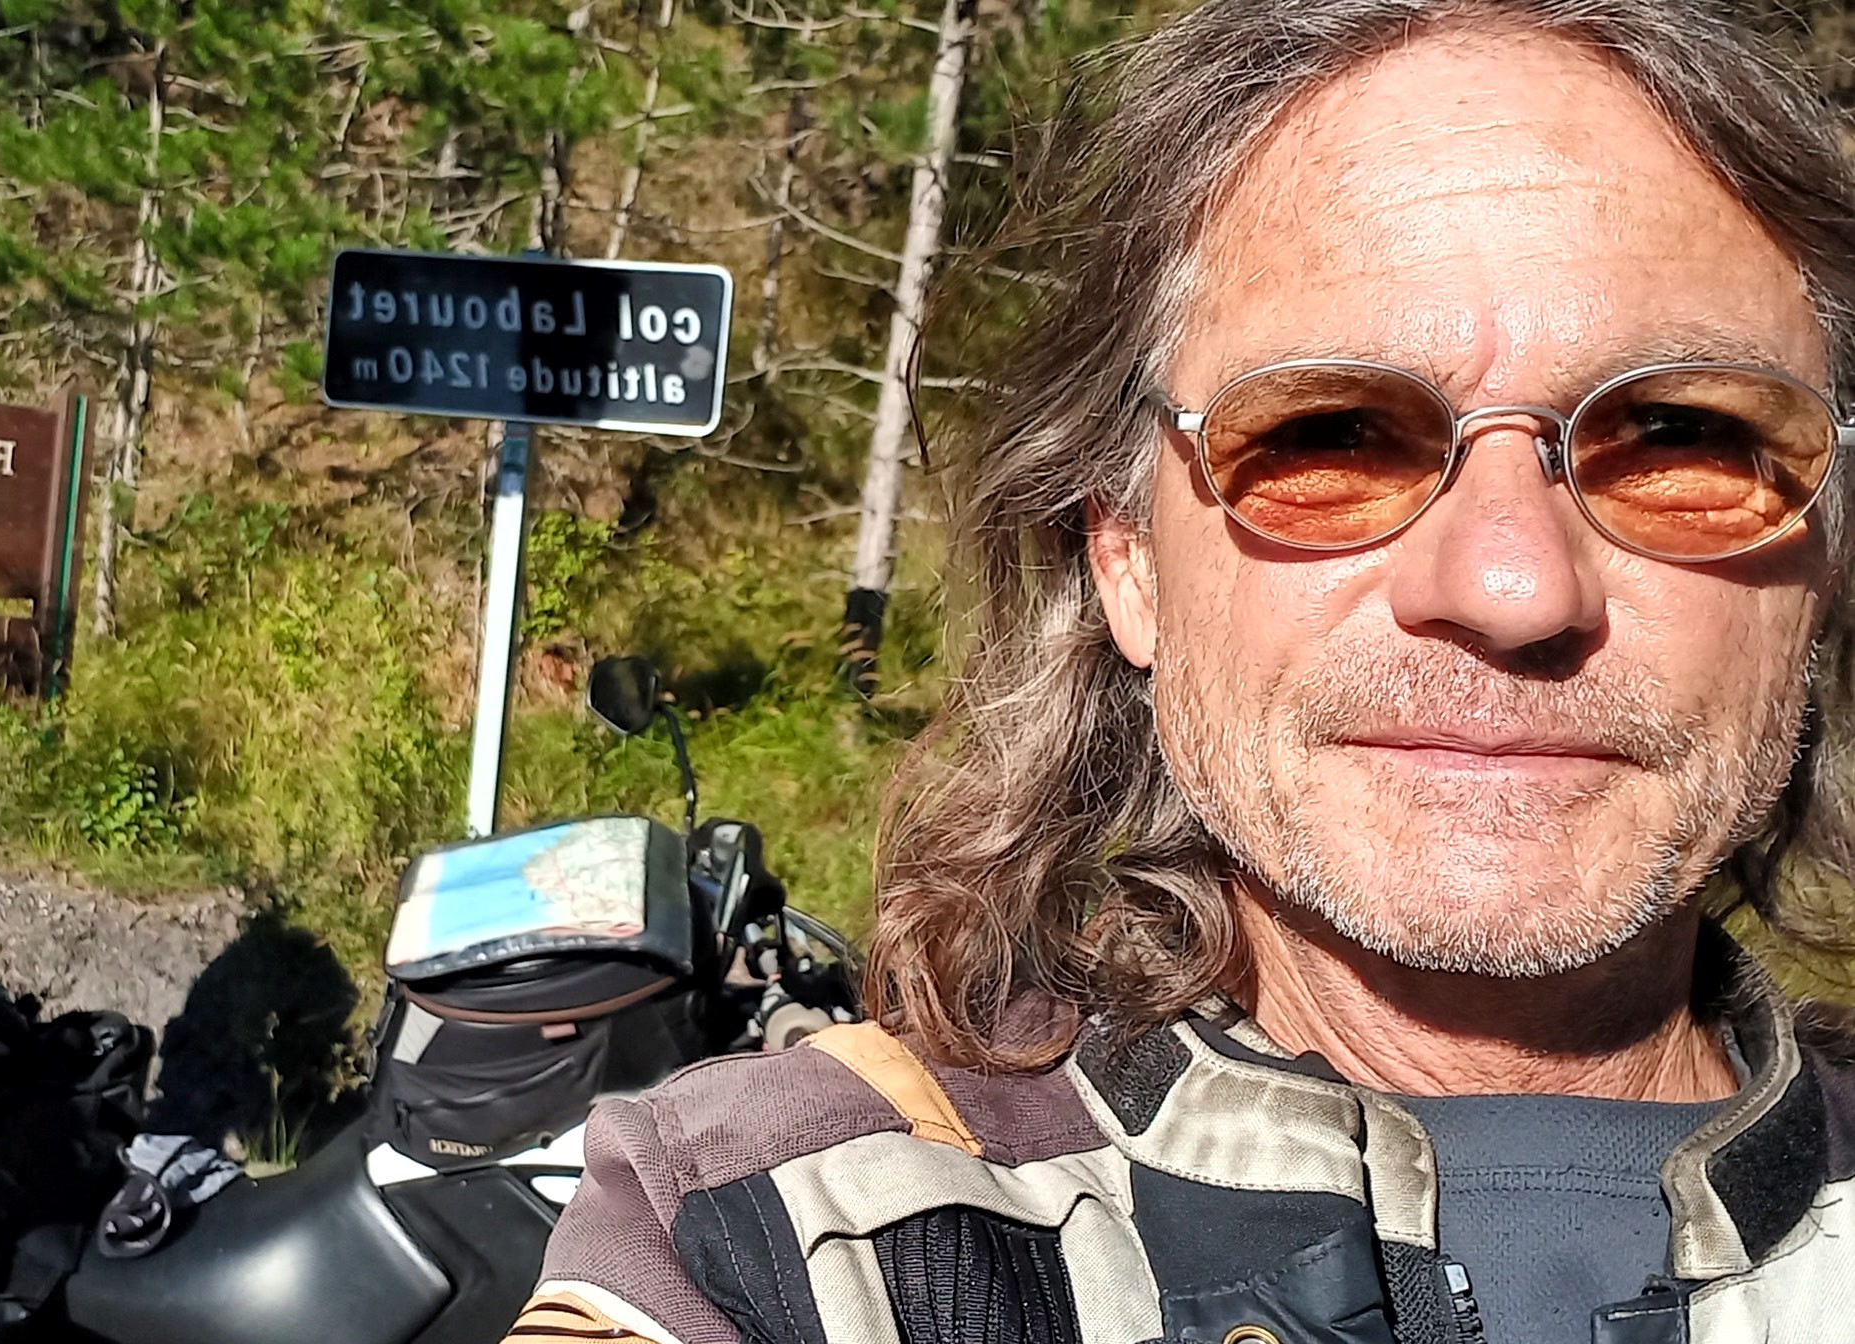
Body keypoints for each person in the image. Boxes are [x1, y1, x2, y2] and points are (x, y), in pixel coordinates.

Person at [508, 3, 1855, 1342]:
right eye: (1331, 436)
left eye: (1679, 438)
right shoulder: (775, 1242)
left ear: (1827, 561)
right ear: (1129, 561)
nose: (1513, 588)